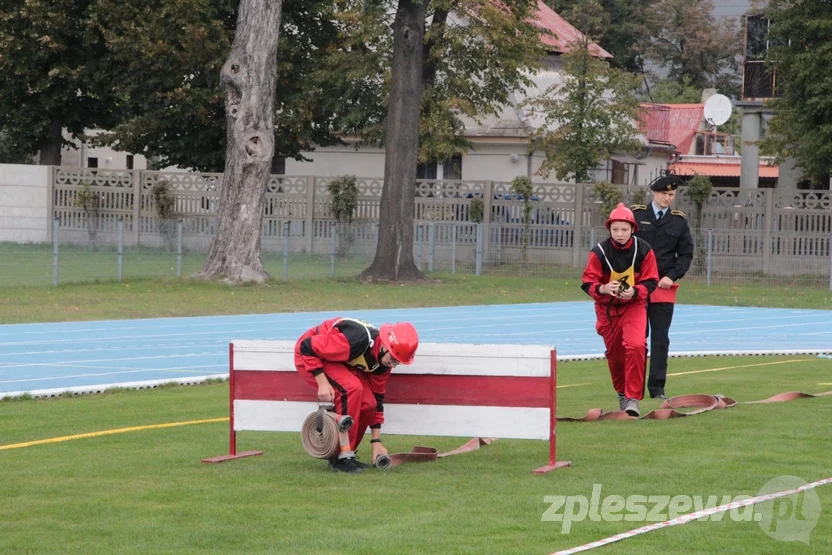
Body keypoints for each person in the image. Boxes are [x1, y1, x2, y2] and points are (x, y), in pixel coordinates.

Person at [294, 317, 419, 473]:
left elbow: (377, 398)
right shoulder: (356, 340)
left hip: (336, 360)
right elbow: (307, 347)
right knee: (352, 388)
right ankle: (343, 456)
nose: (393, 365)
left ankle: (346, 454)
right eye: (393, 359)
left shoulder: (383, 362)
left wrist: (376, 442)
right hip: (309, 356)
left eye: (397, 363)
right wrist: (322, 383)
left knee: (369, 404)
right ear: (385, 347)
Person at [581, 203, 659, 417]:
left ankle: (633, 398)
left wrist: (635, 292)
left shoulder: (644, 250)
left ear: (632, 229)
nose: (620, 234)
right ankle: (622, 394)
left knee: (636, 345)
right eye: (615, 229)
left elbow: (652, 280)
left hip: (634, 306)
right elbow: (587, 282)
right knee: (615, 356)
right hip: (606, 310)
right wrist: (604, 288)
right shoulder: (598, 252)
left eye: (624, 229)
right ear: (610, 230)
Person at [631, 172, 694, 399]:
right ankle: (633, 389)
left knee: (660, 339)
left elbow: (686, 254)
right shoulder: (636, 216)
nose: (667, 198)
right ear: (654, 193)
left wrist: (672, 275)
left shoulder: (678, 221)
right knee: (637, 340)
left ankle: (657, 389)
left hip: (662, 288)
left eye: (671, 194)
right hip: (636, 288)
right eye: (663, 193)